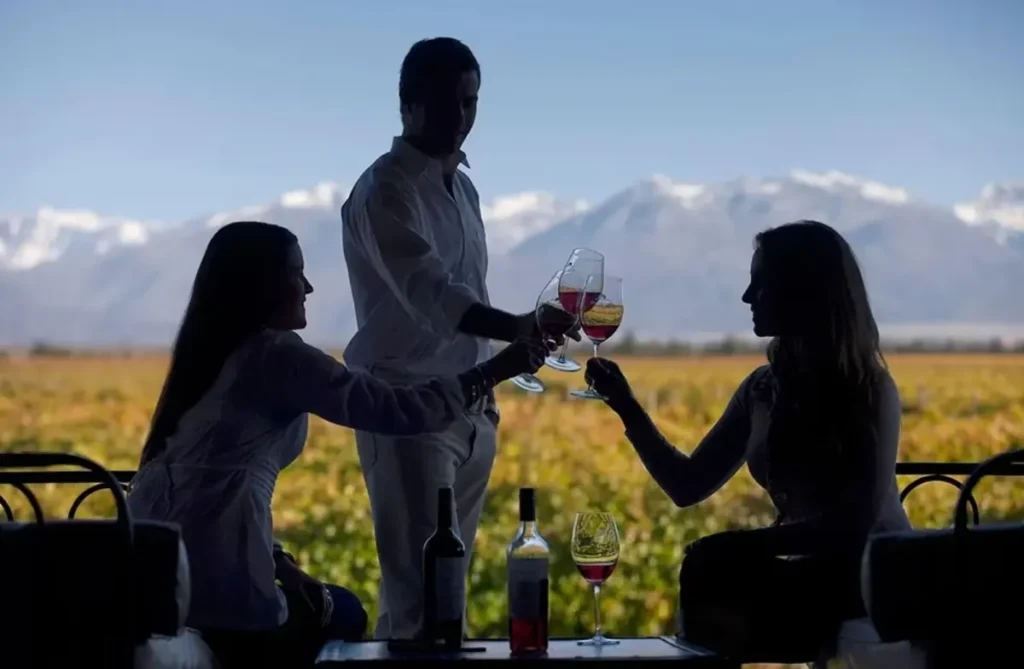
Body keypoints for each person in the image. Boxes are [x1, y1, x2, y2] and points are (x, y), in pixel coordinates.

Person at [127, 221, 547, 668]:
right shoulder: (276, 356)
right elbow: (394, 410)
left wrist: (281, 564)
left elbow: (206, 497)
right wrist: (494, 369)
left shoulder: (208, 358)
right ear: (262, 285)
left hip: (154, 577)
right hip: (223, 593)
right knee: (346, 611)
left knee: (334, 605)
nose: (308, 287)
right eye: (296, 273)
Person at [584, 220, 912, 662]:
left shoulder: (868, 388)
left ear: (803, 290)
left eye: (761, 283)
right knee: (708, 569)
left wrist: (740, 545)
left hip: (874, 574)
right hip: (817, 572)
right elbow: (686, 485)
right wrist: (626, 406)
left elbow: (853, 524)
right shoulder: (762, 389)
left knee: (710, 569)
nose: (747, 296)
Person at [340, 37, 577, 640]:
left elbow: (462, 291)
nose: (461, 117)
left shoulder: (463, 190)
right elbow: (430, 293)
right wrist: (517, 327)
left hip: (472, 411)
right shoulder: (386, 189)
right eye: (446, 102)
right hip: (408, 412)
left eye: (470, 102)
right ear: (407, 105)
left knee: (444, 597)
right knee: (421, 600)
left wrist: (501, 362)